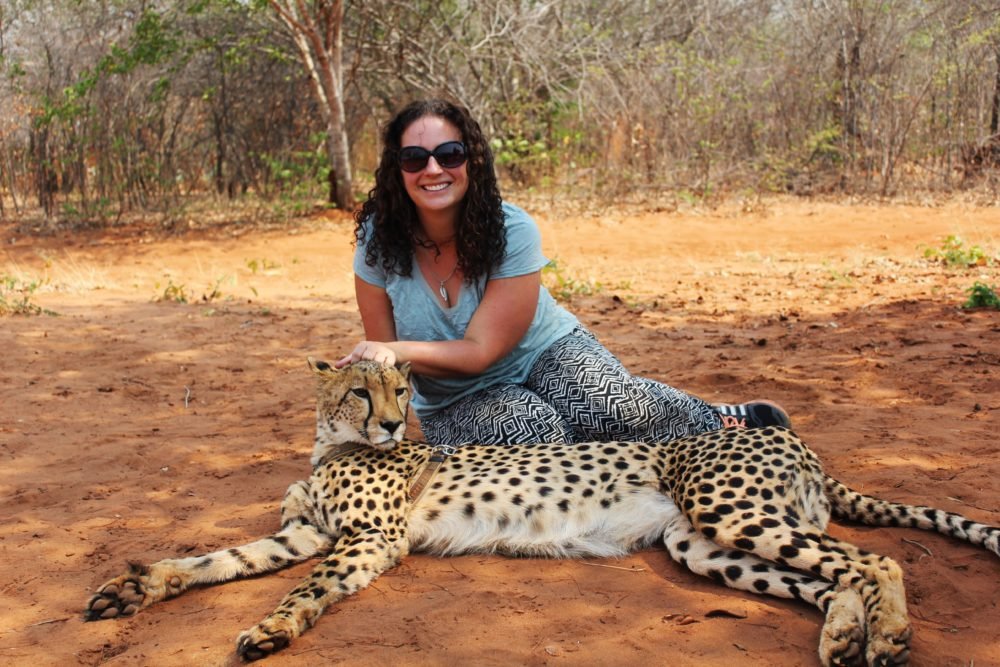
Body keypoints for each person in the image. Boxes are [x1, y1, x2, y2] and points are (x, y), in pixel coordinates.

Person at [336, 98, 789, 445]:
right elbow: (389, 367)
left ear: (470, 160)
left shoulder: (511, 229)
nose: (433, 169)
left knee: (609, 408)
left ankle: (715, 419)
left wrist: (391, 348)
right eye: (414, 158)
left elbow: (477, 351)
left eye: (449, 154)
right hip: (456, 398)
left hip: (542, 351)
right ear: (397, 170)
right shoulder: (378, 243)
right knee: (536, 434)